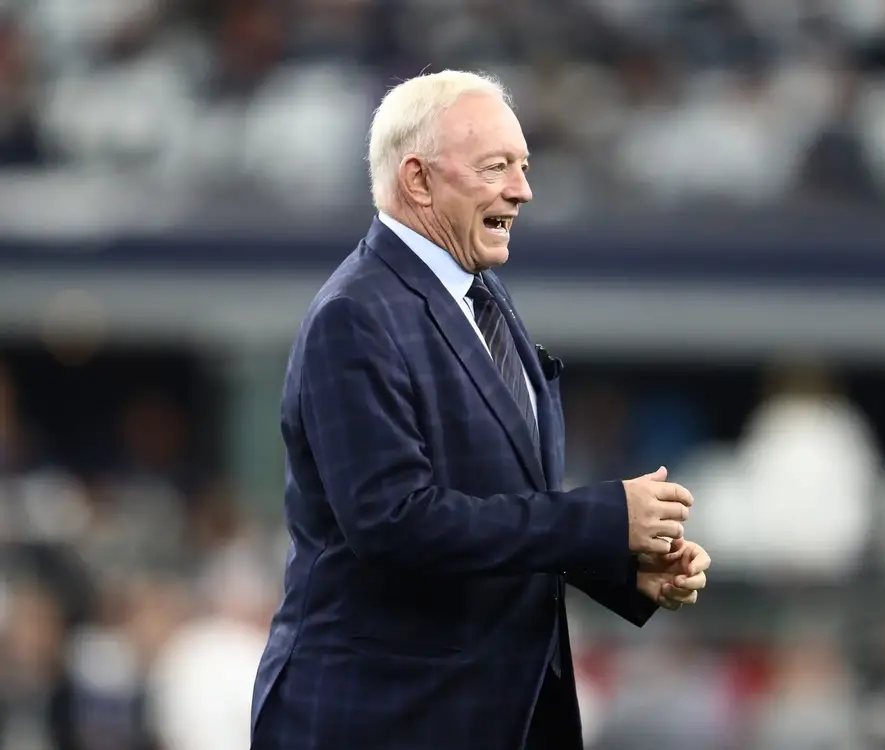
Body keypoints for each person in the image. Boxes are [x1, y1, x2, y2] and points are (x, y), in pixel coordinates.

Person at [249, 69, 712, 750]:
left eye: (523, 167)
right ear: (418, 180)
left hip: (486, 715)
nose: (522, 189)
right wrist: (604, 516)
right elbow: (394, 522)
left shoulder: (483, 296)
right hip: (383, 717)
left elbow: (502, 504)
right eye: (497, 167)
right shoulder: (355, 315)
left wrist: (622, 566)